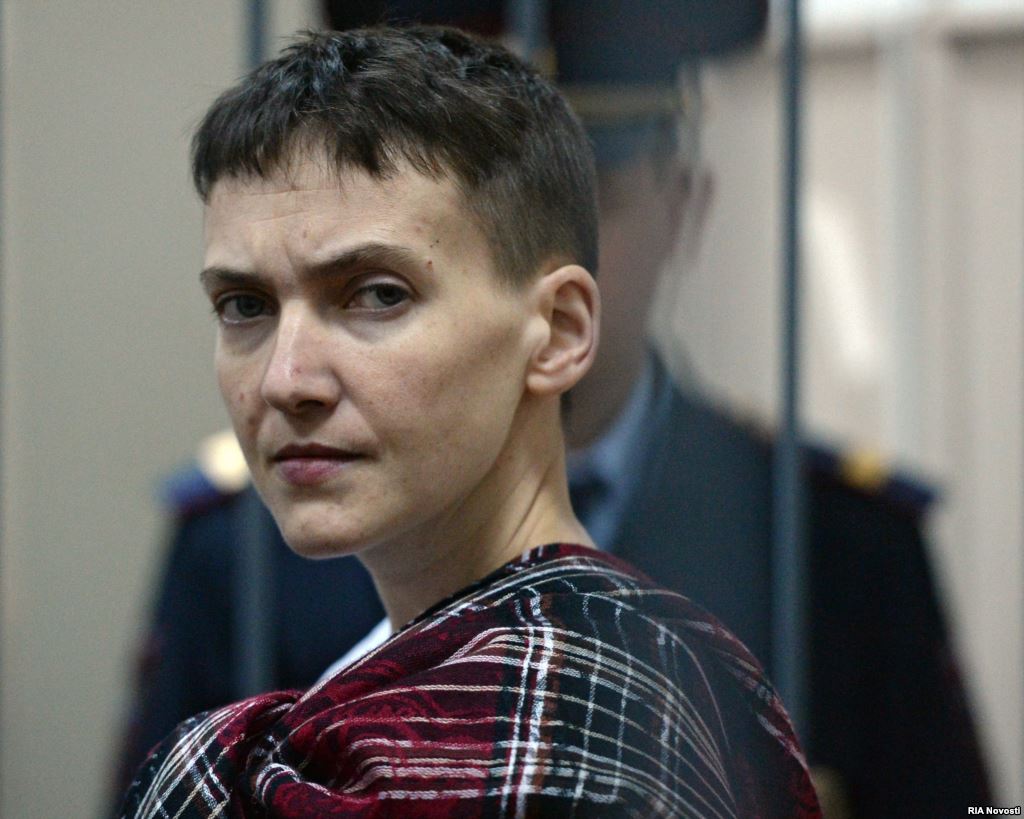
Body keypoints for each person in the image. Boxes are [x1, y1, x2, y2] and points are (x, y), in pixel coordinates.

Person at [113, 6, 992, 818]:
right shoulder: (242, 552)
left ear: (562, 324)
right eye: (242, 305)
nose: (285, 379)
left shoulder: (800, 563)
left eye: (378, 294)